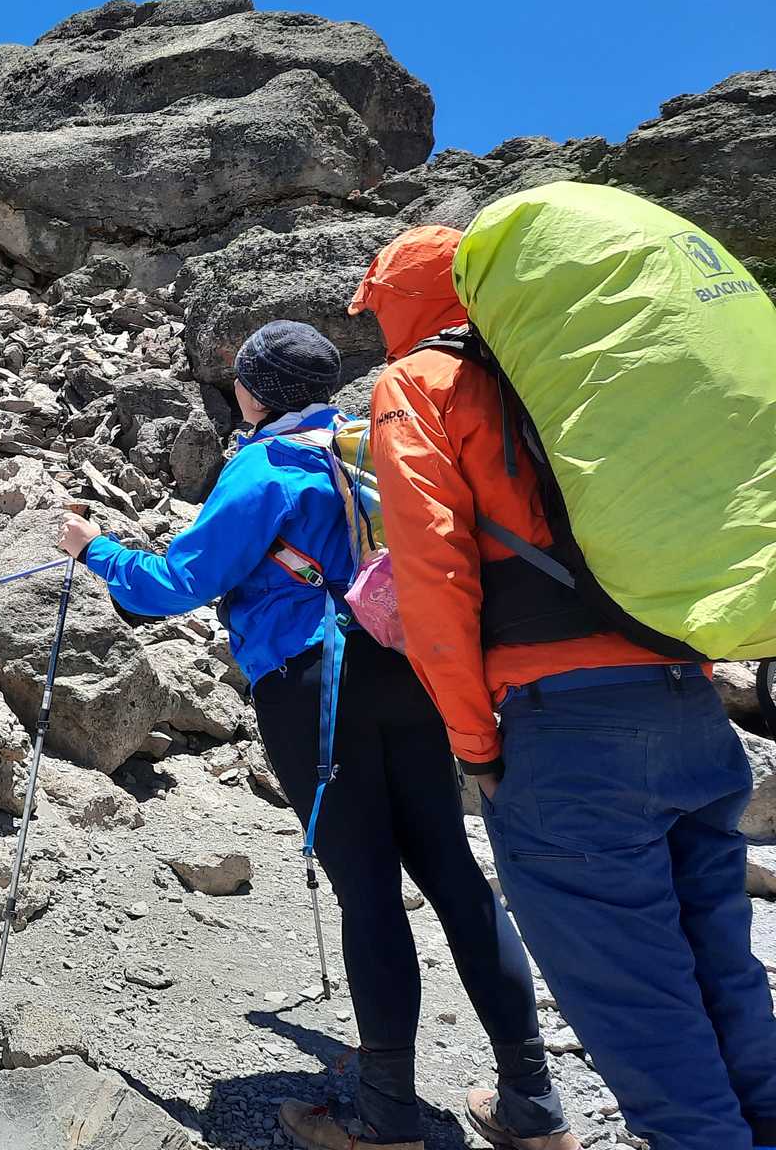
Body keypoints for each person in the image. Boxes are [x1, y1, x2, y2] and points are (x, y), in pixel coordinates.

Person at [57, 320, 578, 1150]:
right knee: (453, 874)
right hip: (414, 671)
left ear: (252, 391)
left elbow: (175, 584)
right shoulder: (375, 446)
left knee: (368, 889)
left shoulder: (264, 465)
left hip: (316, 687)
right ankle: (536, 1113)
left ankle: (385, 1123)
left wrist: (96, 550)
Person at [352, 227, 776, 1150]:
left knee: (641, 1009)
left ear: (404, 300)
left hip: (567, 733)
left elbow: (434, 581)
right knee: (723, 975)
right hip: (687, 703)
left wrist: (474, 745)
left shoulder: (419, 384)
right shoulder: (579, 369)